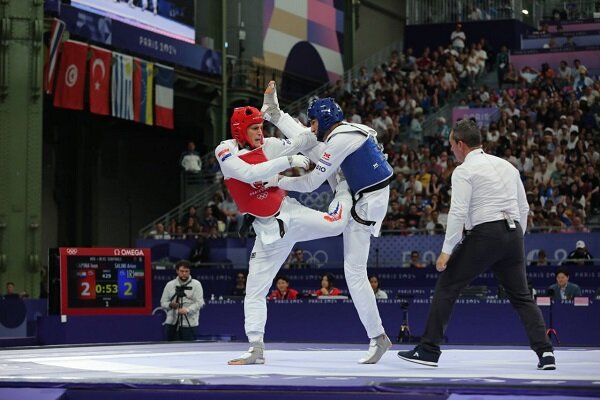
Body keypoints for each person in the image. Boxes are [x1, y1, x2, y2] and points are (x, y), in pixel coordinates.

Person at [397, 119, 555, 370]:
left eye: (451, 145)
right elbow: (524, 208)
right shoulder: (508, 166)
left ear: (460, 145)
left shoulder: (463, 171)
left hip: (485, 233)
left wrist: (446, 251)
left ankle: (428, 350)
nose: (450, 150)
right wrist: (515, 239)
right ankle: (546, 353)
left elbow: (458, 213)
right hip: (513, 234)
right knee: (523, 297)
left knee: (447, 286)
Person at [262, 82, 393, 364]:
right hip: (354, 185)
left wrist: (275, 180)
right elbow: (313, 143)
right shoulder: (348, 129)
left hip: (363, 200)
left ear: (324, 121)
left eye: (313, 122)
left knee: (354, 272)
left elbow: (310, 184)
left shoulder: (339, 139)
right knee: (309, 143)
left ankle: (378, 337)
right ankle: (274, 113)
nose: (310, 126)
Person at [217, 104, 352, 365]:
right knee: (254, 291)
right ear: (239, 130)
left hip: (290, 213)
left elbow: (302, 139)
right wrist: (289, 161)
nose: (260, 132)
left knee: (337, 224)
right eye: (254, 128)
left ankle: (345, 189)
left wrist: (317, 125)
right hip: (267, 233)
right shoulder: (225, 150)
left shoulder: (271, 144)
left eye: (261, 126)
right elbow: (248, 174)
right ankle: (256, 347)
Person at [159, 260, 205, 341]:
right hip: (171, 323)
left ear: (190, 271)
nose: (184, 273)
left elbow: (200, 302)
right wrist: (170, 305)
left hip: (189, 323)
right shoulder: (170, 285)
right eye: (182, 271)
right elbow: (163, 302)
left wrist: (187, 310)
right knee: (170, 349)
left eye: (186, 271)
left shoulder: (196, 284)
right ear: (177, 271)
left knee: (189, 349)